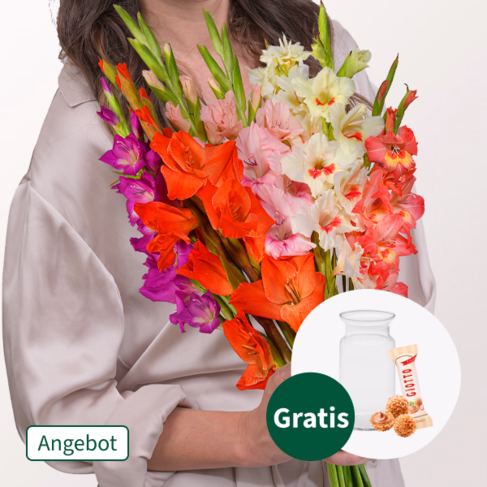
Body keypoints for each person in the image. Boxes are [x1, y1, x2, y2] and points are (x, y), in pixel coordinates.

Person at [2, 1, 436, 486]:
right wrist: (247, 436)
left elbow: (399, 284)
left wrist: (378, 391)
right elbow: (53, 437)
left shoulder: (321, 52)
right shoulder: (84, 126)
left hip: (356, 460)